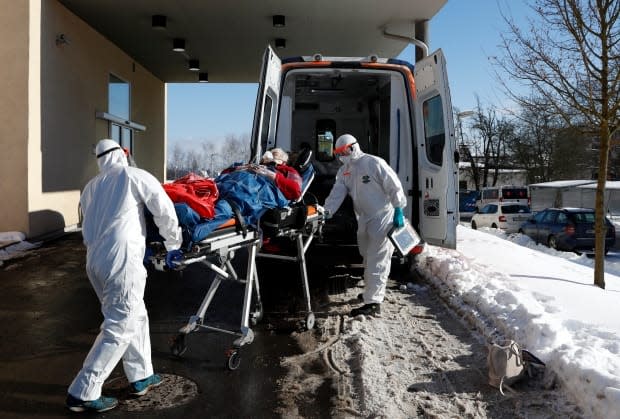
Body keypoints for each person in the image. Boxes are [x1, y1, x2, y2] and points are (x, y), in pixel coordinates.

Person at [66, 139, 183, 413]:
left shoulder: (91, 188)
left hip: (95, 261)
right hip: (122, 260)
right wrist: (174, 244)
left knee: (135, 316)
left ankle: (141, 375)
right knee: (119, 326)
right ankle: (83, 391)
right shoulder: (134, 175)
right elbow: (163, 209)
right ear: (124, 153)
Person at [322, 134, 407, 317]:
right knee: (367, 256)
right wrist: (326, 212)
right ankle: (370, 292)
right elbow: (337, 193)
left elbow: (394, 185)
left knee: (378, 259)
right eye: (337, 153)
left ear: (353, 147)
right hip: (364, 218)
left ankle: (373, 302)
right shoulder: (344, 171)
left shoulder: (374, 163)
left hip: (383, 216)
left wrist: (399, 208)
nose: (340, 156)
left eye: (343, 152)